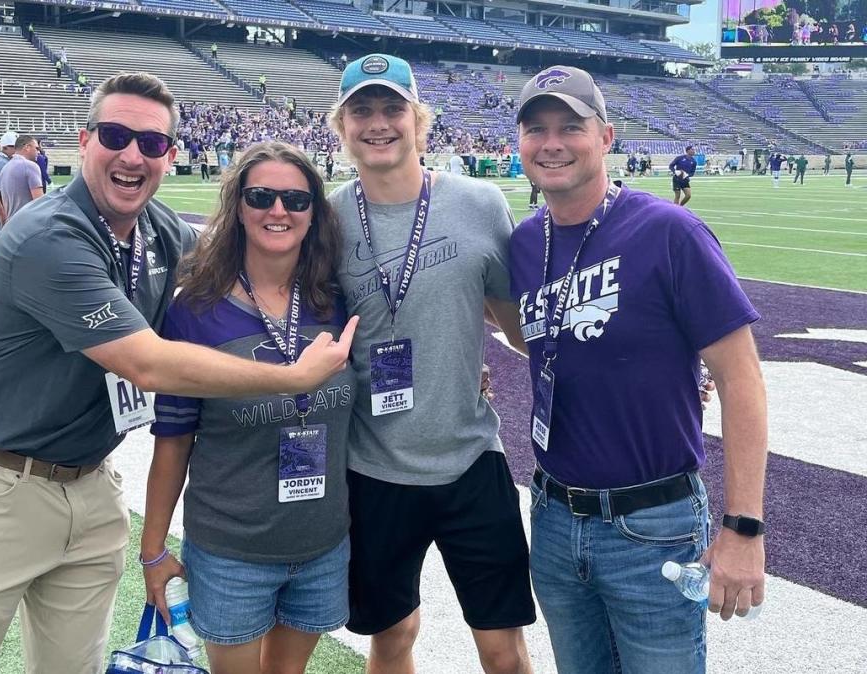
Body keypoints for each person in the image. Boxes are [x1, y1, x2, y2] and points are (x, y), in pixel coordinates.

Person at [0, 72, 355, 674]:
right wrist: (294, 377)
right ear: (84, 139)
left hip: (90, 484)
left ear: (169, 156)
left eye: (151, 143)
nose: (132, 154)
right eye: (116, 135)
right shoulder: (48, 234)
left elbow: (233, 250)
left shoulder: (154, 230)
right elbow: (143, 362)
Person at [510, 65, 768, 674]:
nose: (552, 142)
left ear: (606, 137)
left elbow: (741, 378)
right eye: (536, 128)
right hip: (552, 516)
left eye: (571, 126)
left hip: (652, 524)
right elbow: (544, 341)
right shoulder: (523, 242)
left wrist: (744, 528)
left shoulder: (670, 232)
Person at [327, 54, 535, 674]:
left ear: (419, 120)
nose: (378, 123)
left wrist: (644, 367)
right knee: (392, 636)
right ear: (341, 127)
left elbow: (521, 326)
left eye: (393, 108)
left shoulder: (479, 203)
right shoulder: (327, 218)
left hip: (471, 456)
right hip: (374, 465)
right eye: (361, 110)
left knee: (502, 651)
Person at [142, 141, 356, 674]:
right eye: (261, 196)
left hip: (323, 540)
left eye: (295, 199)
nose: (278, 211)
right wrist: (152, 548)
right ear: (238, 205)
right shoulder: (195, 311)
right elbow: (173, 440)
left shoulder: (336, 300)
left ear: (315, 212)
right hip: (231, 547)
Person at [0, 134, 44, 220]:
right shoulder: (30, 166)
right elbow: (40, 203)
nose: (38, 152)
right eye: (36, 148)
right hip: (27, 224)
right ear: (27, 147)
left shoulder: (5, 168)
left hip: (11, 224)